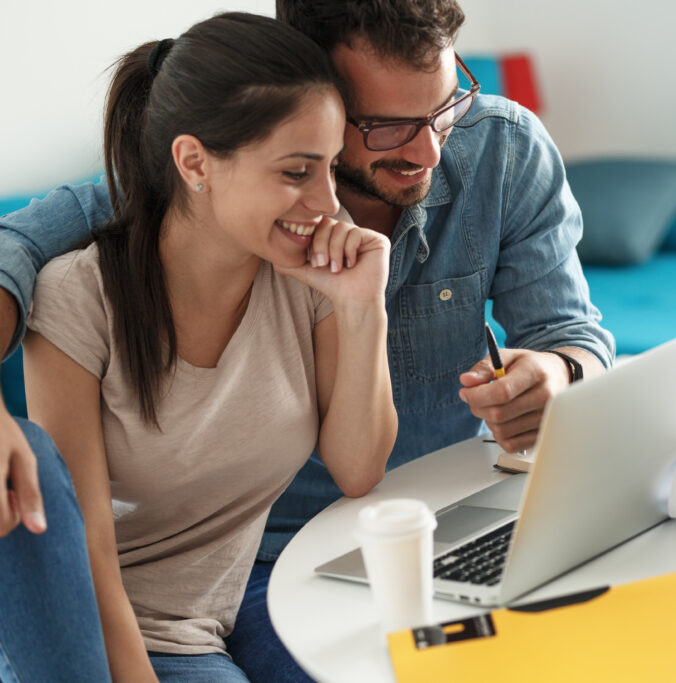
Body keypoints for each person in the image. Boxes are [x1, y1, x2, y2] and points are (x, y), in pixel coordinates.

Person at [0, 0, 614, 680]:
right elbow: (14, 245)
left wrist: (558, 371)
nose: (429, 151)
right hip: (230, 582)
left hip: (416, 527)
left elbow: (570, 337)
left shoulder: (323, 252)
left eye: (445, 109)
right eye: (386, 126)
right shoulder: (122, 255)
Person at [18, 10, 396, 681]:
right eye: (297, 172)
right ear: (194, 163)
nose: (327, 201)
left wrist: (363, 306)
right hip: (92, 637)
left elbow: (358, 468)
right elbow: (85, 553)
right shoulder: (79, 297)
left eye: (332, 167)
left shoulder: (306, 275)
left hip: (209, 627)